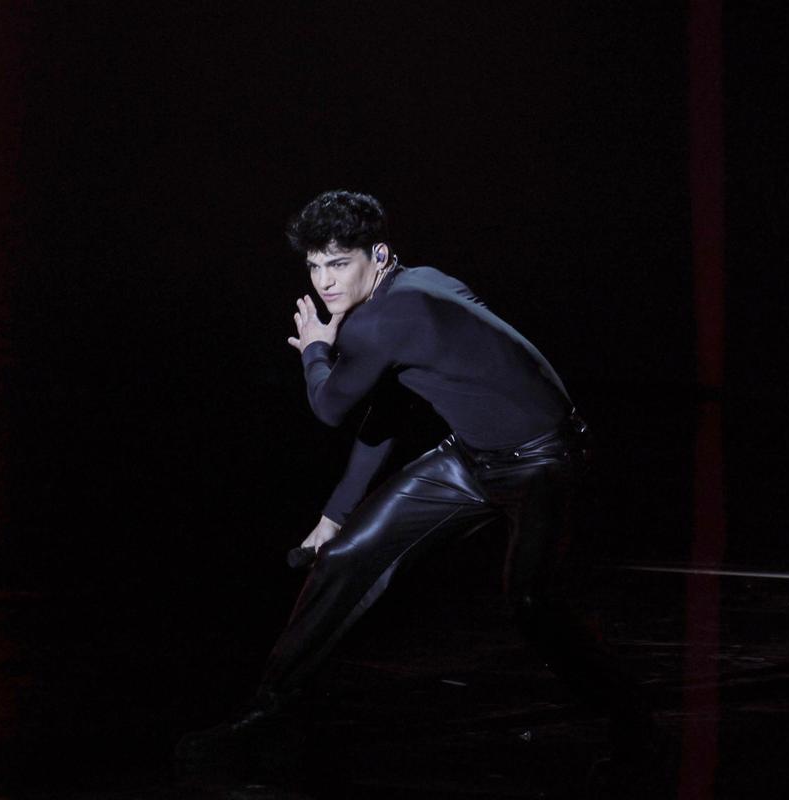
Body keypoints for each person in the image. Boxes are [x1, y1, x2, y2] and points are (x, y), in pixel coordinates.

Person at [177, 190, 656, 785]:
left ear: (376, 255)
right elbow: (386, 418)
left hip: (544, 461)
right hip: (471, 458)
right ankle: (267, 713)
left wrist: (316, 351)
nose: (325, 283)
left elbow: (330, 408)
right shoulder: (409, 285)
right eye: (314, 266)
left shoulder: (385, 318)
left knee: (531, 603)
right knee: (345, 558)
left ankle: (635, 725)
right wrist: (335, 515)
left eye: (339, 263)